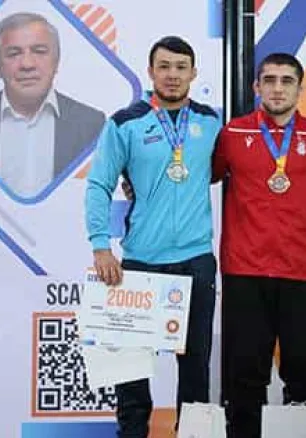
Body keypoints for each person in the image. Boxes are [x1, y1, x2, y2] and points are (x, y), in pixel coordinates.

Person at [84, 36, 221, 438]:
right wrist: (100, 245)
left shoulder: (211, 122)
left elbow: (221, 171)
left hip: (196, 260)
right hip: (141, 261)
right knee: (130, 369)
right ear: (150, 72)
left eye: (181, 67)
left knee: (195, 366)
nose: (172, 75)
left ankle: (192, 433)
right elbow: (99, 184)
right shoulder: (125, 122)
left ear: (194, 73)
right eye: (164, 66)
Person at [212, 52, 306, 438]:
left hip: (300, 272)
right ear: (256, 87)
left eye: (287, 81)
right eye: (269, 80)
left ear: (301, 89)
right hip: (245, 272)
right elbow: (196, 178)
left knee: (302, 372)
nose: (277, 88)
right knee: (244, 374)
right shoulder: (233, 135)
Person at [0, 12, 105, 197]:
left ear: (56, 61)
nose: (27, 64)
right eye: (14, 54)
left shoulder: (92, 125)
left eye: (39, 51)